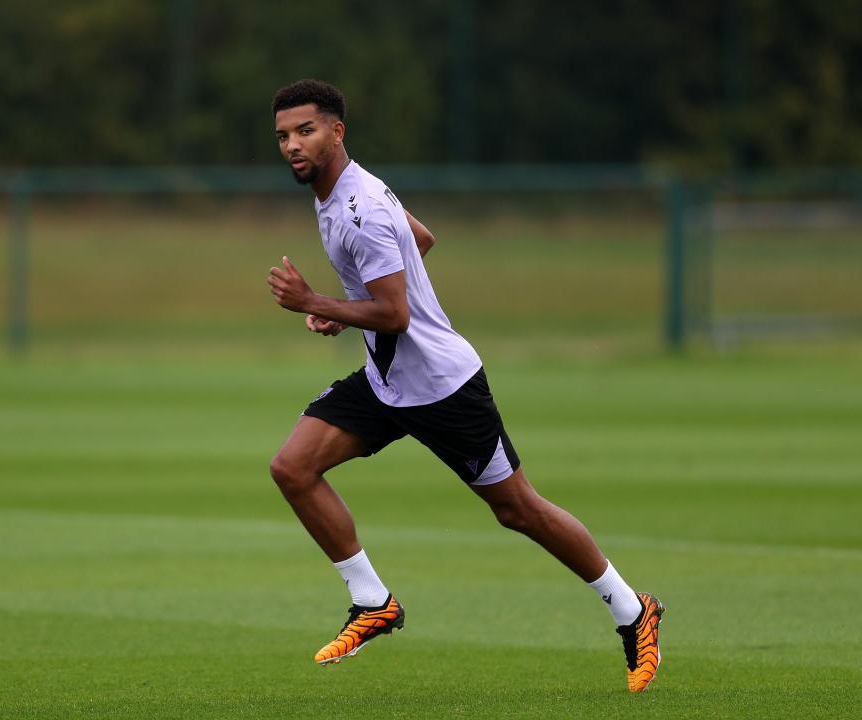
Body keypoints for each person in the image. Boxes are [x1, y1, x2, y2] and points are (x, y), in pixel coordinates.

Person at [266, 79, 664, 692]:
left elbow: (396, 314)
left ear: (337, 132)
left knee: (519, 510)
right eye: (284, 136)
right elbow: (420, 240)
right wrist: (343, 306)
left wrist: (314, 301)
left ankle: (634, 611)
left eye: (306, 131)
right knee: (293, 467)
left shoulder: (361, 207)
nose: (293, 145)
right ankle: (373, 601)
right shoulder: (342, 192)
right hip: (387, 382)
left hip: (444, 389)